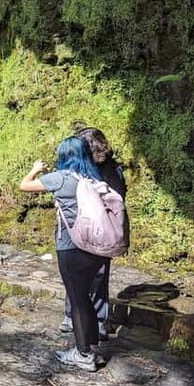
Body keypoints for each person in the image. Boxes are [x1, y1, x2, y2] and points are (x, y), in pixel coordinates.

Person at [20, 137, 107, 371]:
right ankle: (91, 348)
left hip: (70, 248)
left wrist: (35, 169)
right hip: (95, 248)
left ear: (64, 156)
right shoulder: (91, 178)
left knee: (77, 299)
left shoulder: (60, 178)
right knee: (85, 297)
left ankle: (83, 354)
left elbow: (24, 185)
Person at [60, 126, 128, 339]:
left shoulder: (101, 171)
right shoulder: (111, 169)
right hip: (99, 232)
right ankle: (90, 319)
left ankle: (84, 319)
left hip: (92, 231)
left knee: (83, 277)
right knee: (92, 277)